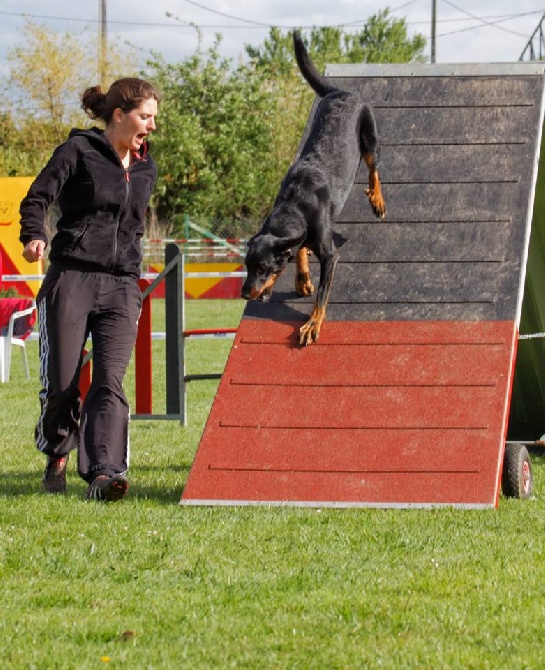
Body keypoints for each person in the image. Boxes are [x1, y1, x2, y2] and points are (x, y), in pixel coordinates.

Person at [19, 77, 160, 501]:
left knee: (110, 382)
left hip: (121, 284)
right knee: (62, 382)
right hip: (72, 277)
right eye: (145, 117)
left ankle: (105, 472)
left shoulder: (145, 165)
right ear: (119, 115)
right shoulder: (77, 151)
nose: (151, 127)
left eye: (154, 118)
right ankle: (58, 452)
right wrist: (33, 235)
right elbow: (37, 198)